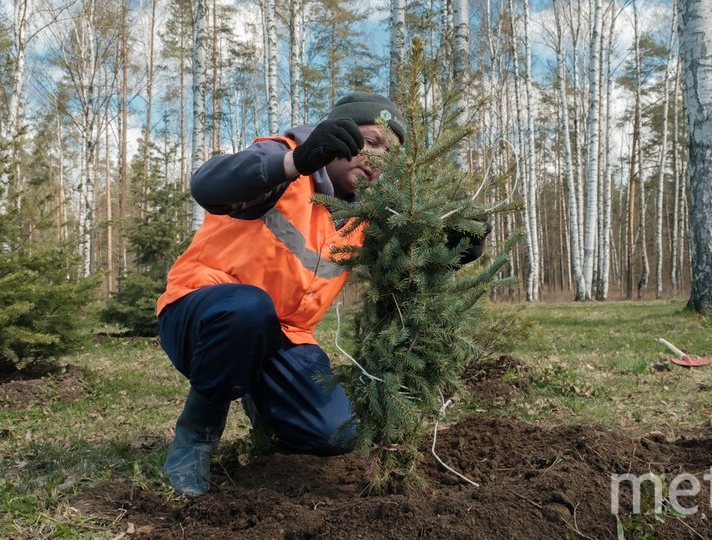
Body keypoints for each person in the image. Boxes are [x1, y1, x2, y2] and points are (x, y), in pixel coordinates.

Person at [156, 91, 487, 498]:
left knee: (336, 433)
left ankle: (262, 398)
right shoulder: (283, 163)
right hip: (204, 310)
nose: (378, 159)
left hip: (286, 337)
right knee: (248, 309)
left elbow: (405, 267)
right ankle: (196, 435)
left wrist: (454, 248)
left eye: (391, 153)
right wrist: (295, 161)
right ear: (341, 134)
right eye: (372, 141)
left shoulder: (361, 216)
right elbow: (208, 184)